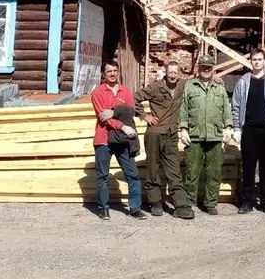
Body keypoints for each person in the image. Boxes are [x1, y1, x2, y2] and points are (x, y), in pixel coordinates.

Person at [90, 61, 148, 221]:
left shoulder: (125, 91)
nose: (113, 74)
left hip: (123, 141)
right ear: (104, 73)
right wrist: (122, 126)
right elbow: (103, 118)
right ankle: (103, 208)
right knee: (102, 176)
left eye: (115, 70)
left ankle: (135, 208)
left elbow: (130, 112)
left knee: (132, 175)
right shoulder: (97, 93)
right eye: (109, 71)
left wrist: (114, 112)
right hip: (104, 139)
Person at [178, 53, 233, 215]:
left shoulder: (220, 88)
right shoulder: (190, 86)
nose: (206, 70)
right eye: (203, 67)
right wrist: (183, 129)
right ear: (199, 68)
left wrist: (228, 127)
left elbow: (226, 110)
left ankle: (210, 203)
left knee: (214, 171)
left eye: (209, 67)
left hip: (215, 136)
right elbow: (184, 108)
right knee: (192, 170)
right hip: (194, 135)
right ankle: (189, 201)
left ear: (213, 69)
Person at [231, 49, 265, 214]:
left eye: (260, 59)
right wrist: (237, 128)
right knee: (248, 167)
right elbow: (236, 105)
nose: (257, 62)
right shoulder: (243, 82)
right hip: (249, 130)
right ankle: (247, 201)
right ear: (250, 62)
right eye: (254, 60)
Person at [138, 60, 193, 219]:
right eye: (171, 72)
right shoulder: (156, 87)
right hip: (155, 133)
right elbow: (135, 98)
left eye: (176, 72)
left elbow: (198, 81)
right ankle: (155, 202)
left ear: (179, 74)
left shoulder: (183, 85)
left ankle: (180, 205)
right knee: (153, 169)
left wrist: (216, 79)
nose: (173, 75)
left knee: (174, 170)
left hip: (171, 134)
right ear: (166, 73)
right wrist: (144, 115)